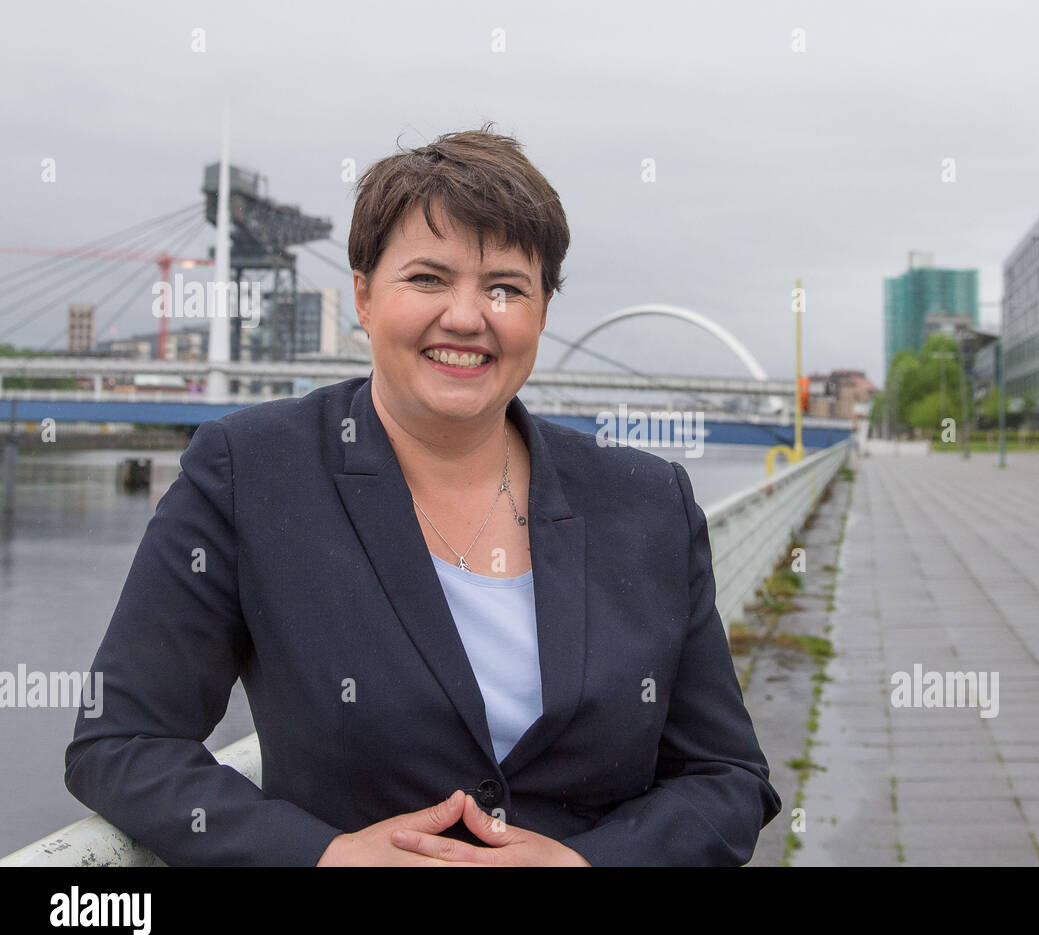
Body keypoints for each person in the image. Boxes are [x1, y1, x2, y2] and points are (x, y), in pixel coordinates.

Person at [65, 125, 781, 866]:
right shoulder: (250, 474)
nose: (467, 316)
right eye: (428, 279)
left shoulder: (646, 501)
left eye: (506, 287)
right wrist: (322, 856)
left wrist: (586, 863)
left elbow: (725, 777)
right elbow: (121, 742)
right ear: (364, 296)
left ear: (541, 313)